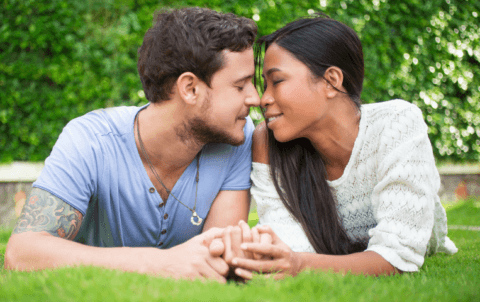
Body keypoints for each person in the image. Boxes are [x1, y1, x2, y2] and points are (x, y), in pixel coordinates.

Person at [5, 7, 260, 283]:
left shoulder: (237, 137)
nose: (255, 98)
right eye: (240, 86)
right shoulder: (90, 140)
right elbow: (22, 253)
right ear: (190, 88)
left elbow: (218, 261)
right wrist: (160, 263)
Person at [219, 13, 458, 279]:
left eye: (277, 81)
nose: (262, 99)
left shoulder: (397, 124)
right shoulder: (268, 143)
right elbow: (289, 247)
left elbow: (398, 253)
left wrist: (301, 265)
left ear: (331, 80)